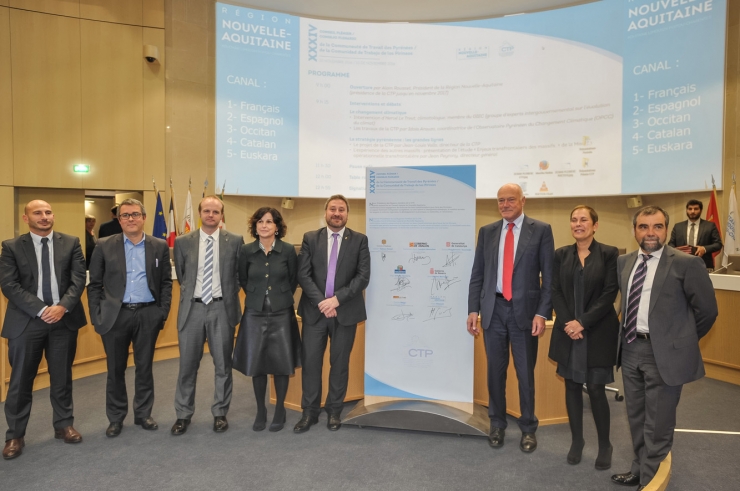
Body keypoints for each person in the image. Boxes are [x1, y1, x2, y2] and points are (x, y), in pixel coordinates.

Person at [611, 206, 717, 490]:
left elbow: (707, 311)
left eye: (657, 226)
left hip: (664, 355)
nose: (650, 233)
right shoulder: (624, 261)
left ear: (666, 230)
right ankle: (639, 466)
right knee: (636, 417)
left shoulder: (686, 264)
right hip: (631, 349)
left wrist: (680, 342)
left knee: (657, 423)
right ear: (635, 230)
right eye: (644, 227)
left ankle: (651, 481)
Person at [467, 183, 554, 453]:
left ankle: (528, 427)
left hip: (525, 314)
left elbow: (550, 279)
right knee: (495, 372)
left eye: (510, 200)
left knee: (525, 373)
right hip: (493, 311)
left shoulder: (540, 230)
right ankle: (497, 423)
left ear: (523, 201)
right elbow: (478, 275)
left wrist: (542, 312)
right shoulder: (488, 232)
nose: (505, 204)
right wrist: (473, 310)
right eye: (501, 200)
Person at [0, 200, 87, 460]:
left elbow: (78, 279)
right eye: (37, 213)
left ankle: (63, 425)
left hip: (64, 320)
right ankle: (15, 434)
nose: (44, 216)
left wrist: (61, 307)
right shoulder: (11, 247)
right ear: (26, 218)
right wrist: (41, 309)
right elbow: (9, 285)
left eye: (48, 212)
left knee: (61, 377)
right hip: (27, 322)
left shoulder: (71, 243)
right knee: (20, 381)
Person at [87, 198, 172, 437]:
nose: (131, 219)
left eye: (135, 214)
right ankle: (115, 418)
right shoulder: (103, 245)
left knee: (144, 367)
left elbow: (166, 283)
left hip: (148, 314)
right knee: (115, 370)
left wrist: (161, 312)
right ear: (119, 219)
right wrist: (97, 316)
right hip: (115, 316)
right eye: (125, 215)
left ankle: (143, 414)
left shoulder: (159, 245)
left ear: (144, 218)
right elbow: (94, 285)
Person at [548, 205, 619, 469]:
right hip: (569, 332)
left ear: (595, 225)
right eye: (574, 220)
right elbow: (554, 290)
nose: (578, 224)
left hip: (597, 331)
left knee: (598, 390)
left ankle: (605, 445)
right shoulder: (561, 254)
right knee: (572, 386)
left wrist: (583, 323)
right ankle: (577, 441)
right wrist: (569, 323)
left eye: (584, 220)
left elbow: (610, 293)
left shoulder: (610, 254)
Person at [294, 194, 370, 433]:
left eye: (341, 210)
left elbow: (362, 277)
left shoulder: (359, 240)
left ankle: (334, 411)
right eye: (333, 209)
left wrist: (336, 300)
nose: (337, 214)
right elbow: (303, 275)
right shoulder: (310, 239)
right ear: (325, 212)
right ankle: (310, 412)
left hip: (345, 312)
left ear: (347, 214)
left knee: (339, 364)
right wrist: (323, 303)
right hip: (315, 313)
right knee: (311, 363)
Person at [170, 196, 243, 435]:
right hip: (193, 309)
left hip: (222, 309)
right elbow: (183, 276)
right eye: (207, 211)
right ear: (200, 213)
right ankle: (183, 415)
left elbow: (238, 275)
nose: (211, 215)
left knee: (223, 365)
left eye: (216, 211)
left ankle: (220, 412)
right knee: (187, 366)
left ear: (222, 216)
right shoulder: (183, 242)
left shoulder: (234, 241)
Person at [233, 207, 300, 433]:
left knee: (281, 363)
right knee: (257, 363)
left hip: (282, 312)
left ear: (277, 227)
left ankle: (279, 409)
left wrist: (278, 297)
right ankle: (261, 410)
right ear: (255, 226)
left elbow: (293, 280)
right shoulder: (246, 250)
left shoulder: (289, 250)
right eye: (260, 221)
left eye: (269, 222)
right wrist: (257, 294)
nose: (264, 225)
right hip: (254, 312)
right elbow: (242, 278)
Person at [667, 199, 722, 270]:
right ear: (687, 210)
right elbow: (671, 244)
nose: (692, 211)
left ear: (701, 210)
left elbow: (718, 244)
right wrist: (677, 252)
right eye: (690, 209)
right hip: (681, 265)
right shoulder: (678, 227)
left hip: (703, 265)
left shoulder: (710, 226)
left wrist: (704, 249)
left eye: (696, 209)